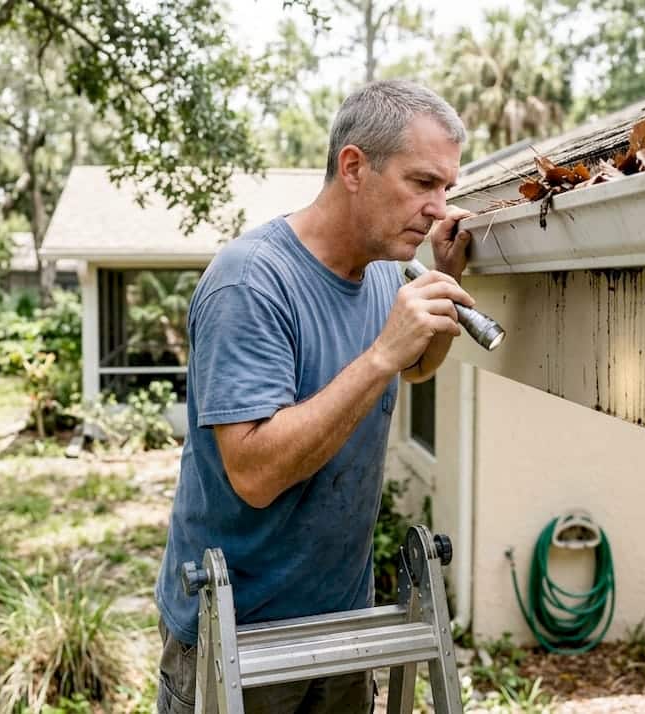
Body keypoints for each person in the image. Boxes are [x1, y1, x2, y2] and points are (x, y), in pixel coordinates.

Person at [154, 79, 474, 714]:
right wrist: (381, 352)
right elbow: (254, 472)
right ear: (354, 166)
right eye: (422, 183)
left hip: (342, 619)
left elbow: (412, 370)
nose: (439, 208)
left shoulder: (387, 268)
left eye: (447, 188)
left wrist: (443, 282)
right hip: (236, 634)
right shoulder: (250, 282)